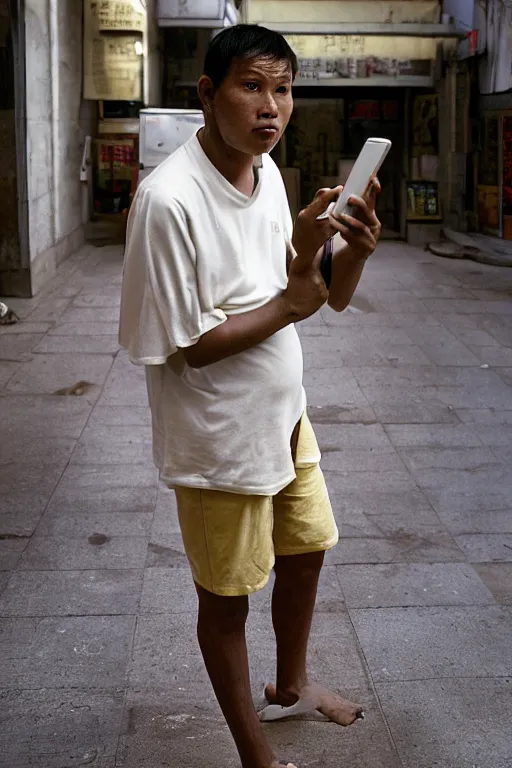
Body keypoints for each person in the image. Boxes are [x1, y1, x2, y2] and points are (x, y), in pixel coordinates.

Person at [119, 24, 381, 768]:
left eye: (284, 89)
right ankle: (255, 755)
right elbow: (189, 344)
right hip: (217, 438)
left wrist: (348, 256)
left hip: (284, 419)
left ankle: (291, 683)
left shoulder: (268, 174)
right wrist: (293, 304)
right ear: (207, 93)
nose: (272, 107)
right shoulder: (168, 201)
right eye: (252, 86)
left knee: (306, 552)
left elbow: (317, 294)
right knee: (225, 601)